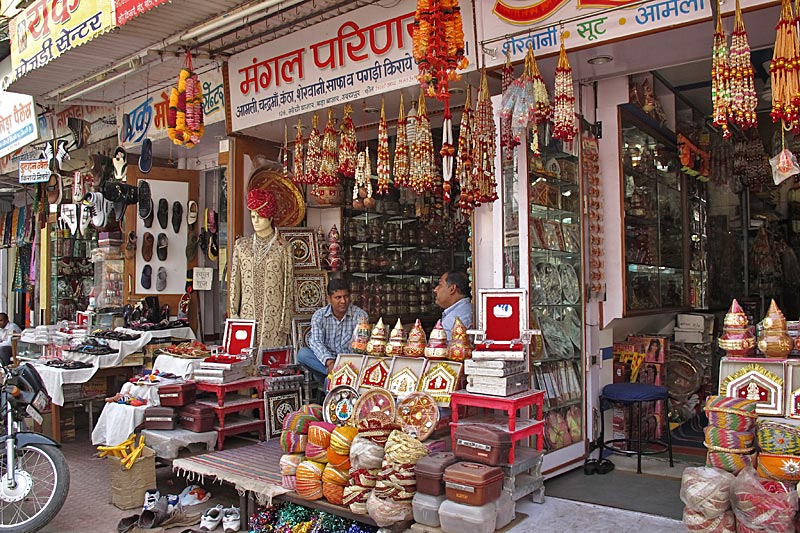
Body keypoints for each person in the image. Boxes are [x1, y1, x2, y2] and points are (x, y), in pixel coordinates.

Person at [229, 188, 294, 350]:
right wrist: (234, 315)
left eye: (260, 216)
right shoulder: (241, 246)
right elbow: (234, 283)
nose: (256, 221)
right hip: (246, 316)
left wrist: (284, 323)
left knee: (271, 363)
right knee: (244, 360)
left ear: (270, 217)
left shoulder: (283, 248)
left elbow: (288, 286)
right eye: (252, 216)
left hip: (273, 318)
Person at [296, 279, 367, 385]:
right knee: (303, 354)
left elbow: (360, 346)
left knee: (328, 381)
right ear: (329, 299)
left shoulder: (360, 315)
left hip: (350, 363)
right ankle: (333, 373)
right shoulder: (319, 315)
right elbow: (316, 342)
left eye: (346, 296)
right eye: (338, 297)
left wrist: (344, 366)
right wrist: (329, 362)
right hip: (325, 361)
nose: (343, 301)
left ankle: (333, 375)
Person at [433, 271, 473, 340]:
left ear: (452, 289)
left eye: (440, 285)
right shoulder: (463, 310)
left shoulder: (456, 317)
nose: (435, 289)